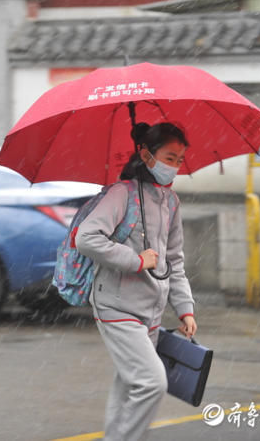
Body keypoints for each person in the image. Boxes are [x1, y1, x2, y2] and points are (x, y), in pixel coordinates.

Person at [76, 122, 196, 441]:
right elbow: (86, 238)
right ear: (146, 154)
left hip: (151, 311)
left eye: (179, 160)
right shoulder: (122, 194)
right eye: (169, 158)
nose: (174, 167)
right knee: (151, 382)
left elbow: (175, 259)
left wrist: (185, 308)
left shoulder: (171, 202)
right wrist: (137, 260)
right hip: (116, 304)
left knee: (130, 385)